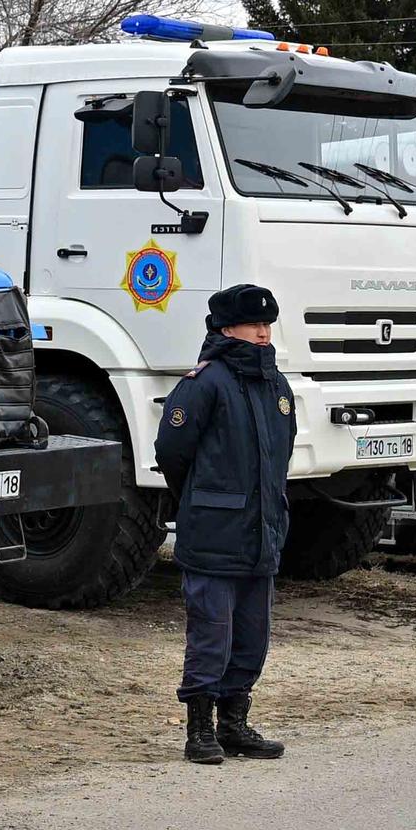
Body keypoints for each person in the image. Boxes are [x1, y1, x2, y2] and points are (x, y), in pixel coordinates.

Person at [156, 283, 296, 759]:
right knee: (211, 634)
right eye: (253, 324)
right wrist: (200, 500)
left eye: (267, 324)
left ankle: (235, 724)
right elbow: (172, 453)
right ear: (224, 328)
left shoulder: (276, 383)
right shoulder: (205, 382)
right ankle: (199, 730)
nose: (263, 332)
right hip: (215, 533)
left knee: (252, 636)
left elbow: (281, 455)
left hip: (262, 533)